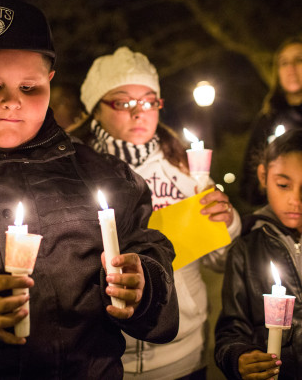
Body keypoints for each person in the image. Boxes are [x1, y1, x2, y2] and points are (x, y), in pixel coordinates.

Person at [0, 0, 180, 379]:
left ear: (50, 80)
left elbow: (146, 247)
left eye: (29, 87)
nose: (12, 101)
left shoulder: (103, 175)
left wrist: (144, 284)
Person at [70, 46, 242, 379]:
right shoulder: (69, 171)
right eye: (123, 102)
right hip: (99, 356)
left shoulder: (185, 170)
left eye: (149, 101)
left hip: (181, 352)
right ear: (95, 109)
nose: (140, 113)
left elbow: (218, 261)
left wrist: (228, 223)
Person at [215, 128, 302, 379]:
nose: (296, 200)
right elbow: (232, 329)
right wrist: (238, 356)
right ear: (264, 176)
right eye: (284, 185)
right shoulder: (246, 248)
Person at [240, 36, 302, 209]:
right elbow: (248, 181)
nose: (291, 68)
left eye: (299, 60)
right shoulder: (267, 120)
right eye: (284, 63)